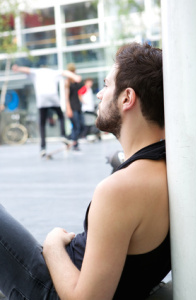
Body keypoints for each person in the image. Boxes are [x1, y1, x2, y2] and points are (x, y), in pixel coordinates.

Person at [0, 42, 171, 300]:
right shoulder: (164, 167)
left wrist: (53, 243)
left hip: (48, 289)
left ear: (127, 98)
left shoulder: (120, 189)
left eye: (106, 85)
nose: (100, 95)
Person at [11, 64, 81, 156]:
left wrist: (18, 68)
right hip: (53, 97)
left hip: (42, 99)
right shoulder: (52, 72)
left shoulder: (36, 72)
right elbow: (65, 72)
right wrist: (75, 76)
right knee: (61, 116)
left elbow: (26, 70)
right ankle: (63, 136)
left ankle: (43, 148)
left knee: (42, 124)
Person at [65, 63, 84, 151]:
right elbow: (66, 97)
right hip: (72, 107)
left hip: (78, 106)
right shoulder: (67, 82)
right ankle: (74, 143)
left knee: (80, 125)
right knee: (76, 126)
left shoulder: (76, 81)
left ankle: (71, 140)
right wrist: (68, 109)